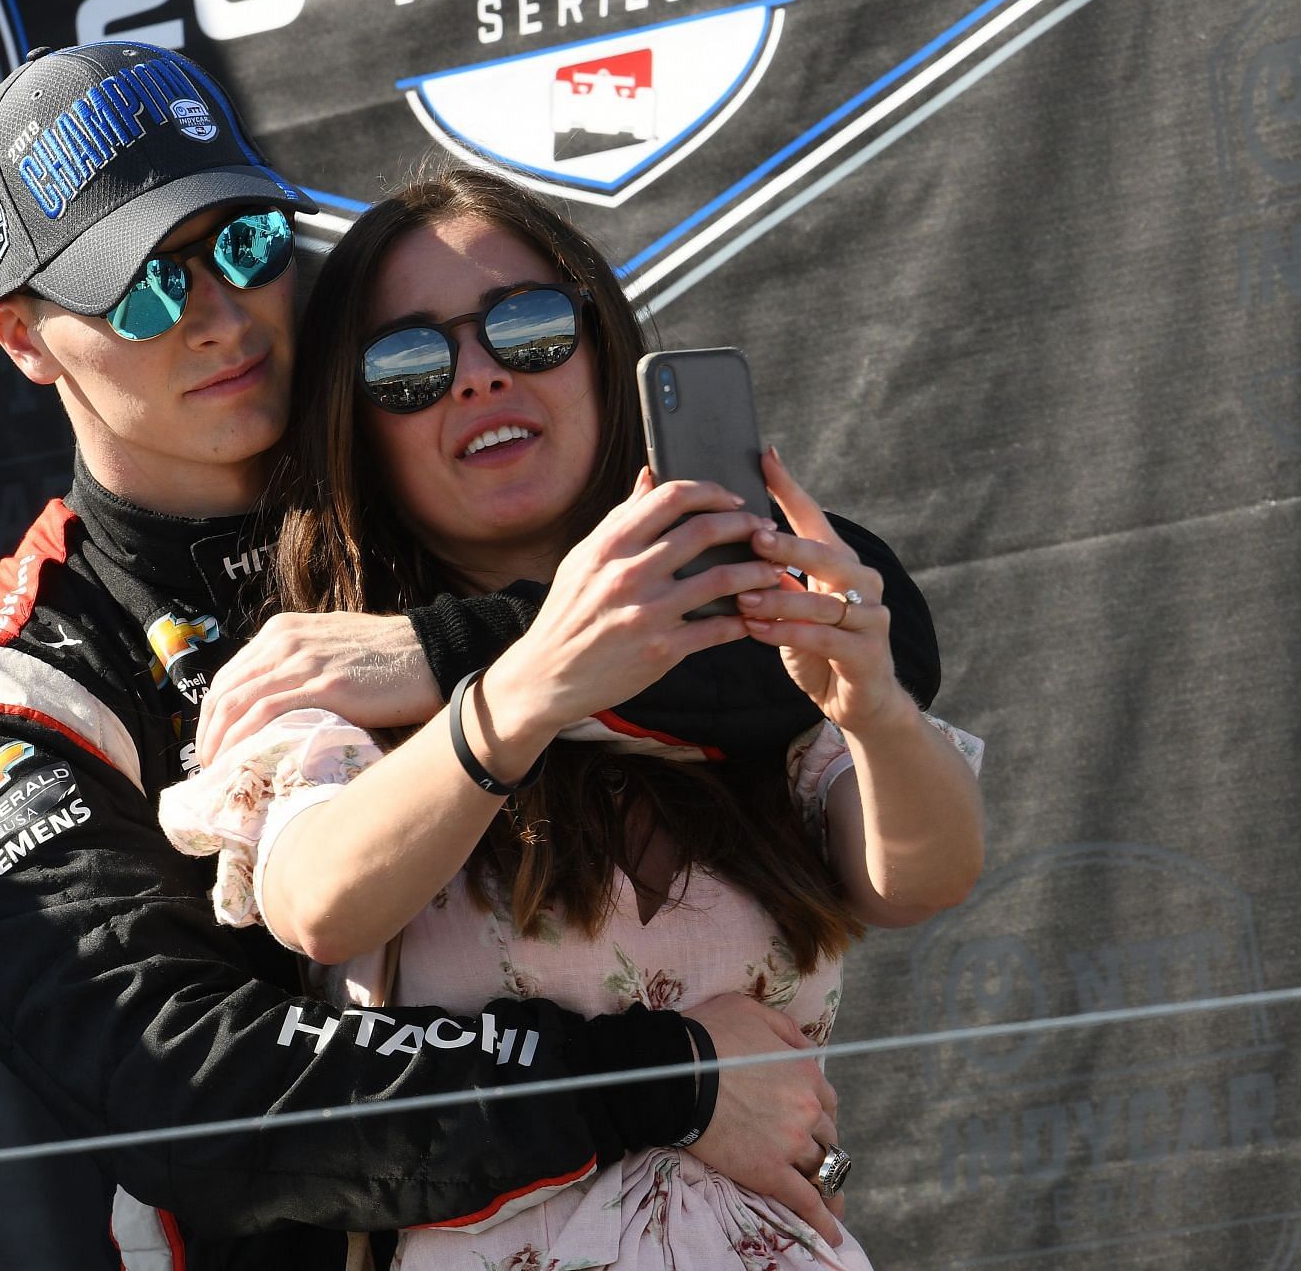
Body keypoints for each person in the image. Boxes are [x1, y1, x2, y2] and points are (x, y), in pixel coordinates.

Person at [0, 42, 941, 1270]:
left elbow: (860, 613)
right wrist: (666, 1081)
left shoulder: (426, 466)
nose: (218, 318)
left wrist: (446, 650)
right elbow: (194, 1090)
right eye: (139, 291)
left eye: (240, 248)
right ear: (23, 340)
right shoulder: (16, 688)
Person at [160, 167, 985, 1268]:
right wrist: (530, 679)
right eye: (408, 364)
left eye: (530, 326)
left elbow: (920, 880)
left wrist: (875, 709)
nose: (477, 378)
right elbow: (319, 902)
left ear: (605, 351)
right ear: (356, 426)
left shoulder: (741, 638)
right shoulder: (332, 664)